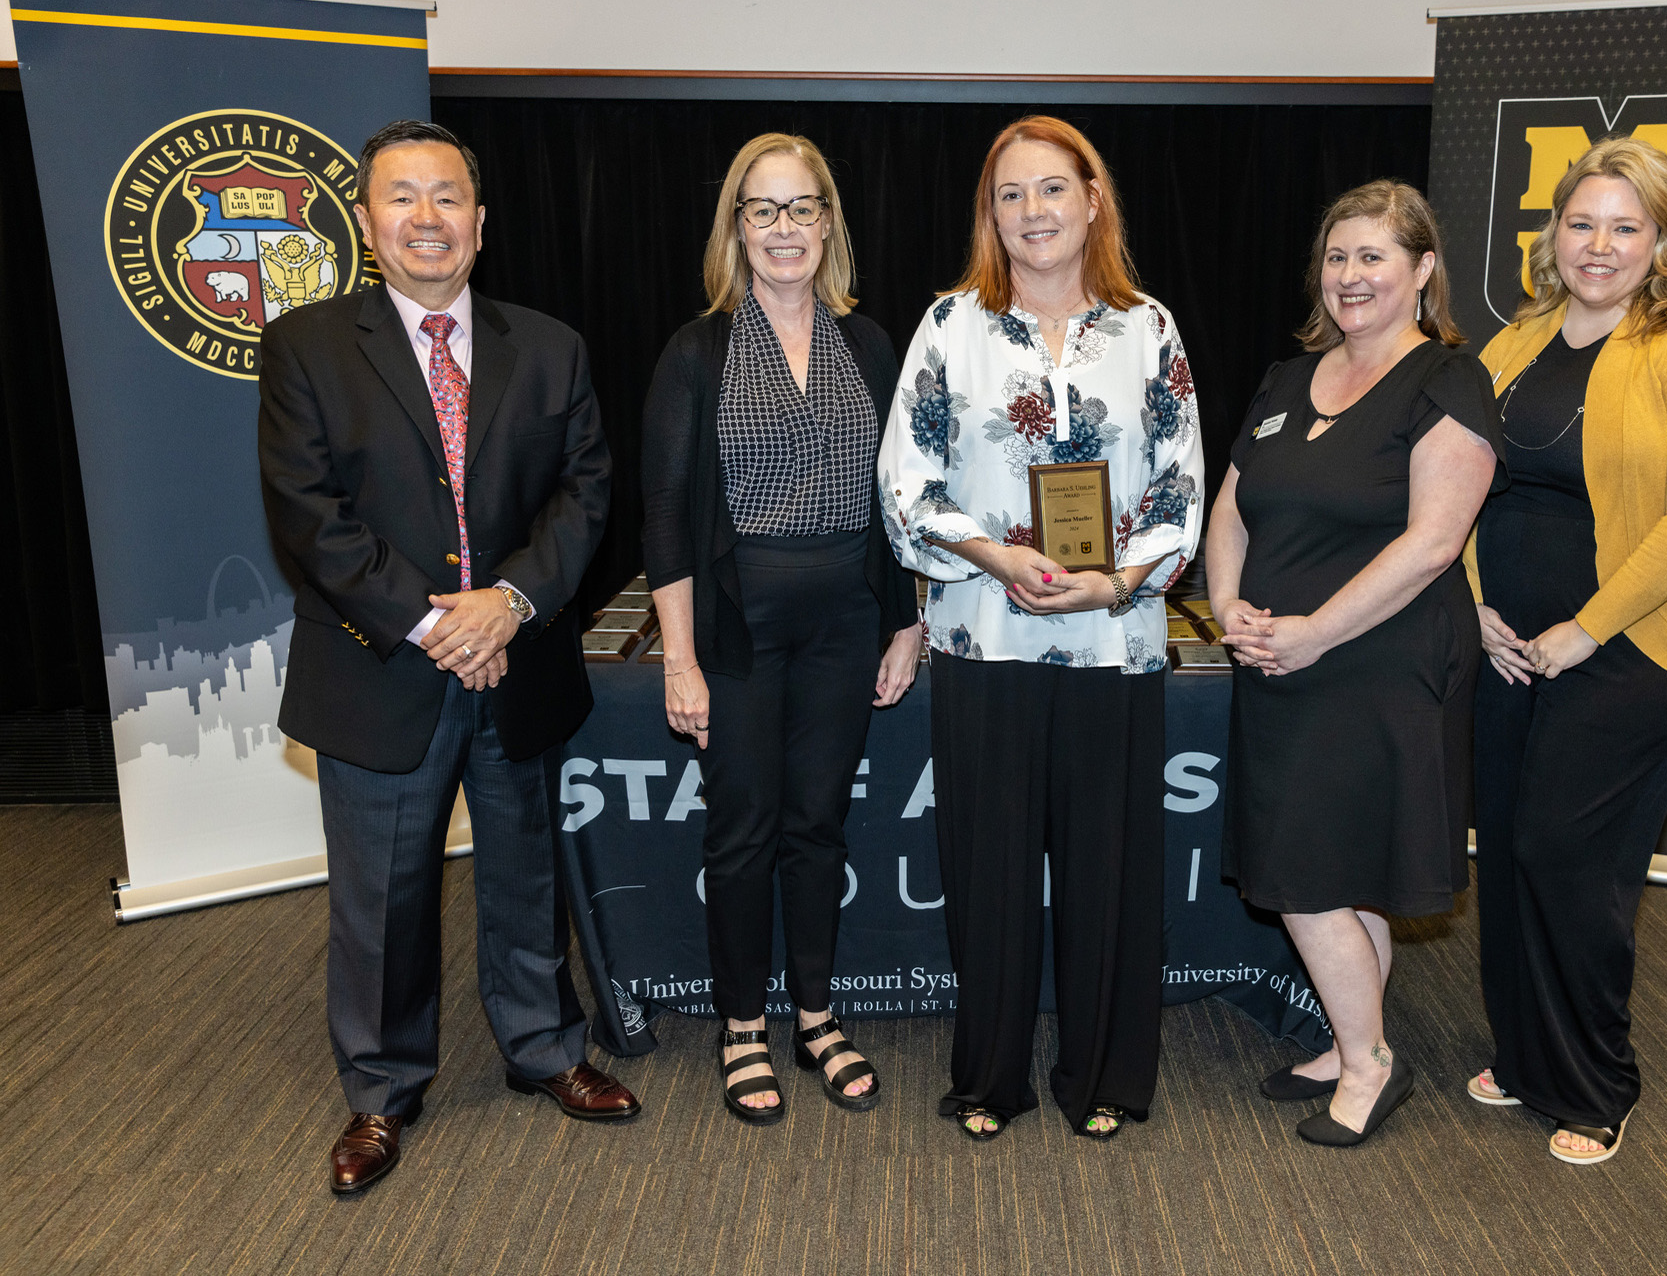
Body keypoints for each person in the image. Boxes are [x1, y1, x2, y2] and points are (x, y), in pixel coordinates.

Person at [258, 120, 636, 1197]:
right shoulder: (306, 346)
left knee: (526, 873)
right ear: (367, 221)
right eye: (402, 197)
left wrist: (507, 605)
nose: (427, 218)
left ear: (480, 220)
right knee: (380, 898)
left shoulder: (549, 346)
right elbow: (309, 514)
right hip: (380, 669)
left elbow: (585, 492)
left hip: (519, 659)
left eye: (448, 197)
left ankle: (545, 1047)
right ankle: (381, 1087)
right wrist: (438, 627)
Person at [879, 115, 1203, 1141]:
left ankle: (1104, 1074)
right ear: (991, 213)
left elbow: (1180, 486)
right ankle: (989, 1077)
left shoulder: (1147, 327)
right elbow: (906, 483)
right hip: (986, 638)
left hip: (1116, 643)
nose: (1032, 211)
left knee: (1109, 870)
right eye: (1010, 194)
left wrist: (1115, 584)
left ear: (1092, 200)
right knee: (991, 872)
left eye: (1052, 189)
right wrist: (996, 556)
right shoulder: (950, 326)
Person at [1464, 136, 1667, 1165]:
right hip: (1513, 646)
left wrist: (1585, 629)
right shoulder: (1516, 341)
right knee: (1507, 844)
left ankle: (1594, 1082)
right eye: (1580, 222)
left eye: (1625, 227)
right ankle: (1523, 1052)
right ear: (1551, 232)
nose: (1598, 244)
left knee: (1564, 851)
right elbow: (1456, 480)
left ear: (1663, 239)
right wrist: (1474, 605)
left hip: (1639, 648)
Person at [1209, 180, 1503, 1147]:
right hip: (1281, 661)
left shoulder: (1448, 381)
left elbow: (1432, 543)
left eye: (1373, 256)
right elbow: (1231, 508)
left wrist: (1315, 632)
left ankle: (1370, 1065)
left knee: (1304, 872)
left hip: (1381, 662)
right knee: (1347, 867)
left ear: (1422, 270)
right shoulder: (1287, 379)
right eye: (1337, 257)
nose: (1350, 275)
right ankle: (1351, 1042)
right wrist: (1227, 605)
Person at [641, 133, 923, 1125]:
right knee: (742, 829)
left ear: (828, 222)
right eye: (762, 209)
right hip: (738, 624)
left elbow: (900, 499)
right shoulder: (697, 350)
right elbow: (666, 517)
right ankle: (741, 1025)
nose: (784, 228)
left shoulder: (869, 343)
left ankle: (815, 1014)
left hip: (847, 618)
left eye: (802, 207)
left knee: (817, 824)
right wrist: (678, 659)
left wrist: (905, 621)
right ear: (736, 226)